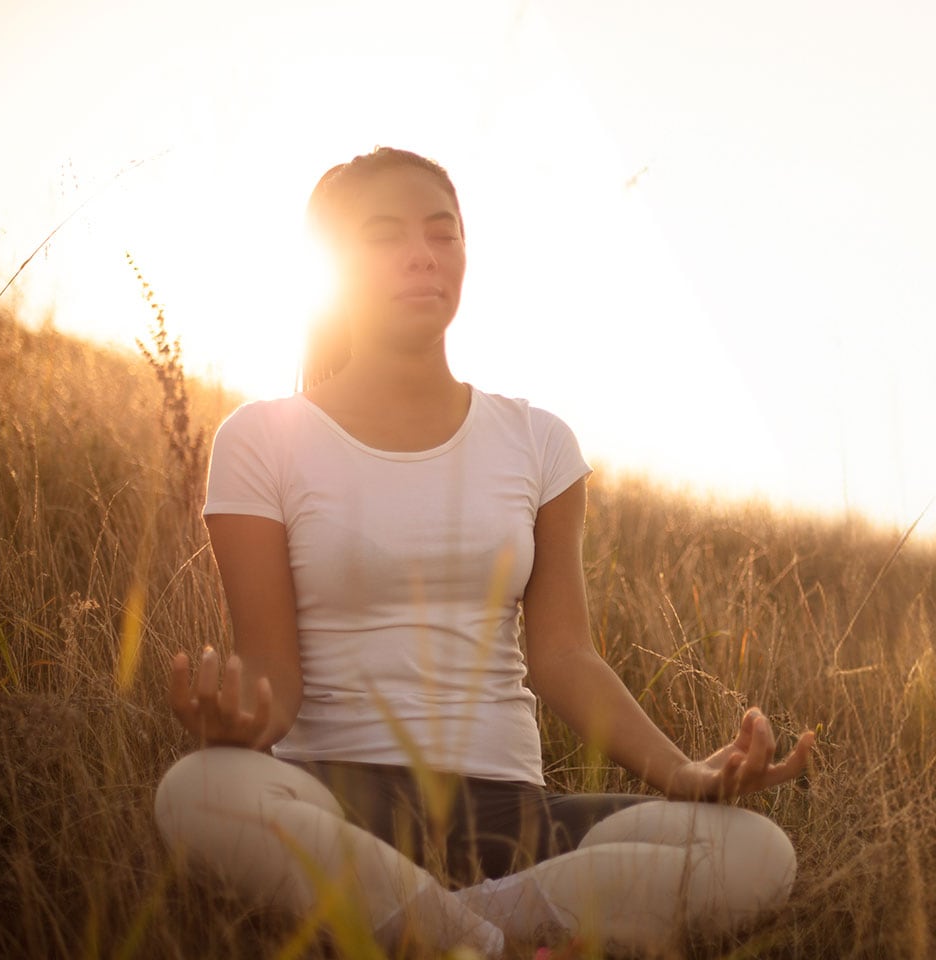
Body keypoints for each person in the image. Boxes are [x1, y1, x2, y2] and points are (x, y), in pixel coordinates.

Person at [151, 146, 814, 958]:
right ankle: (489, 936)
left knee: (756, 853)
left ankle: (438, 930)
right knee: (199, 790)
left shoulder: (537, 442)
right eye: (384, 235)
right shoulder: (261, 439)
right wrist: (241, 720)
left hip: (511, 815)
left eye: (443, 232)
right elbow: (274, 678)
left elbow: (566, 656)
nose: (422, 254)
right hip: (334, 797)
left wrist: (686, 775)